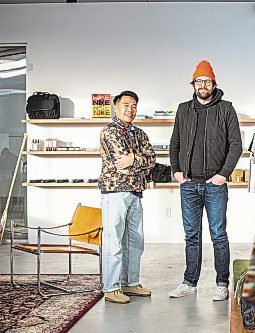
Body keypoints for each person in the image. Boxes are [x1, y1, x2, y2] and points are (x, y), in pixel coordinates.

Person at [169, 60, 242, 301]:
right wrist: (176, 172)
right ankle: (190, 282)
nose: (203, 85)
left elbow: (236, 145)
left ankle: (222, 282)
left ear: (213, 84)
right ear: (193, 84)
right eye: (199, 81)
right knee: (191, 235)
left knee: (218, 234)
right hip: (188, 184)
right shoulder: (183, 109)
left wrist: (223, 174)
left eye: (207, 81)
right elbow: (175, 143)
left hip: (214, 184)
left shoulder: (226, 108)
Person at [98, 90, 156, 304]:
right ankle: (111, 287)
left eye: (134, 105)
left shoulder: (140, 133)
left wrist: (135, 159)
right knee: (114, 240)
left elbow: (152, 159)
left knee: (135, 241)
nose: (130, 109)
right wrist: (137, 160)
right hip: (115, 191)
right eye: (126, 105)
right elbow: (121, 163)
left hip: (136, 192)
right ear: (116, 106)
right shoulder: (109, 131)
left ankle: (130, 283)